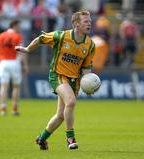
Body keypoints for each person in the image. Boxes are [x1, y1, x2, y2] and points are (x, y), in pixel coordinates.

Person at [15, 9, 95, 150]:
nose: (89, 24)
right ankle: (70, 139)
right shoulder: (61, 36)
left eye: (90, 21)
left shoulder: (90, 45)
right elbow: (41, 39)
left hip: (74, 80)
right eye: (86, 21)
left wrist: (88, 86)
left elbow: (86, 68)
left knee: (61, 115)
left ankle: (42, 138)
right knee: (71, 101)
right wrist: (27, 49)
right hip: (57, 75)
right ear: (76, 24)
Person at [0, 20, 28, 116]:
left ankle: (3, 108)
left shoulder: (1, 36)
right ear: (14, 26)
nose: (19, 28)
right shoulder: (17, 36)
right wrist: (24, 65)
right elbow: (21, 51)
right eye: (18, 26)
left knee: (3, 86)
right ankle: (14, 109)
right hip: (14, 62)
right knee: (16, 86)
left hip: (3, 62)